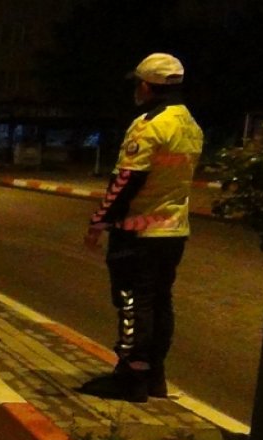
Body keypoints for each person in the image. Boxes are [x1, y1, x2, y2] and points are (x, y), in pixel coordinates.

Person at [78, 53, 204, 403]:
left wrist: (99, 220)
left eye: (138, 83)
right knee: (160, 302)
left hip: (139, 230)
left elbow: (126, 180)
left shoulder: (149, 124)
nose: (137, 89)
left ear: (148, 86)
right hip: (173, 231)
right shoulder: (190, 125)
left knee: (133, 302)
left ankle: (131, 378)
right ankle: (154, 376)